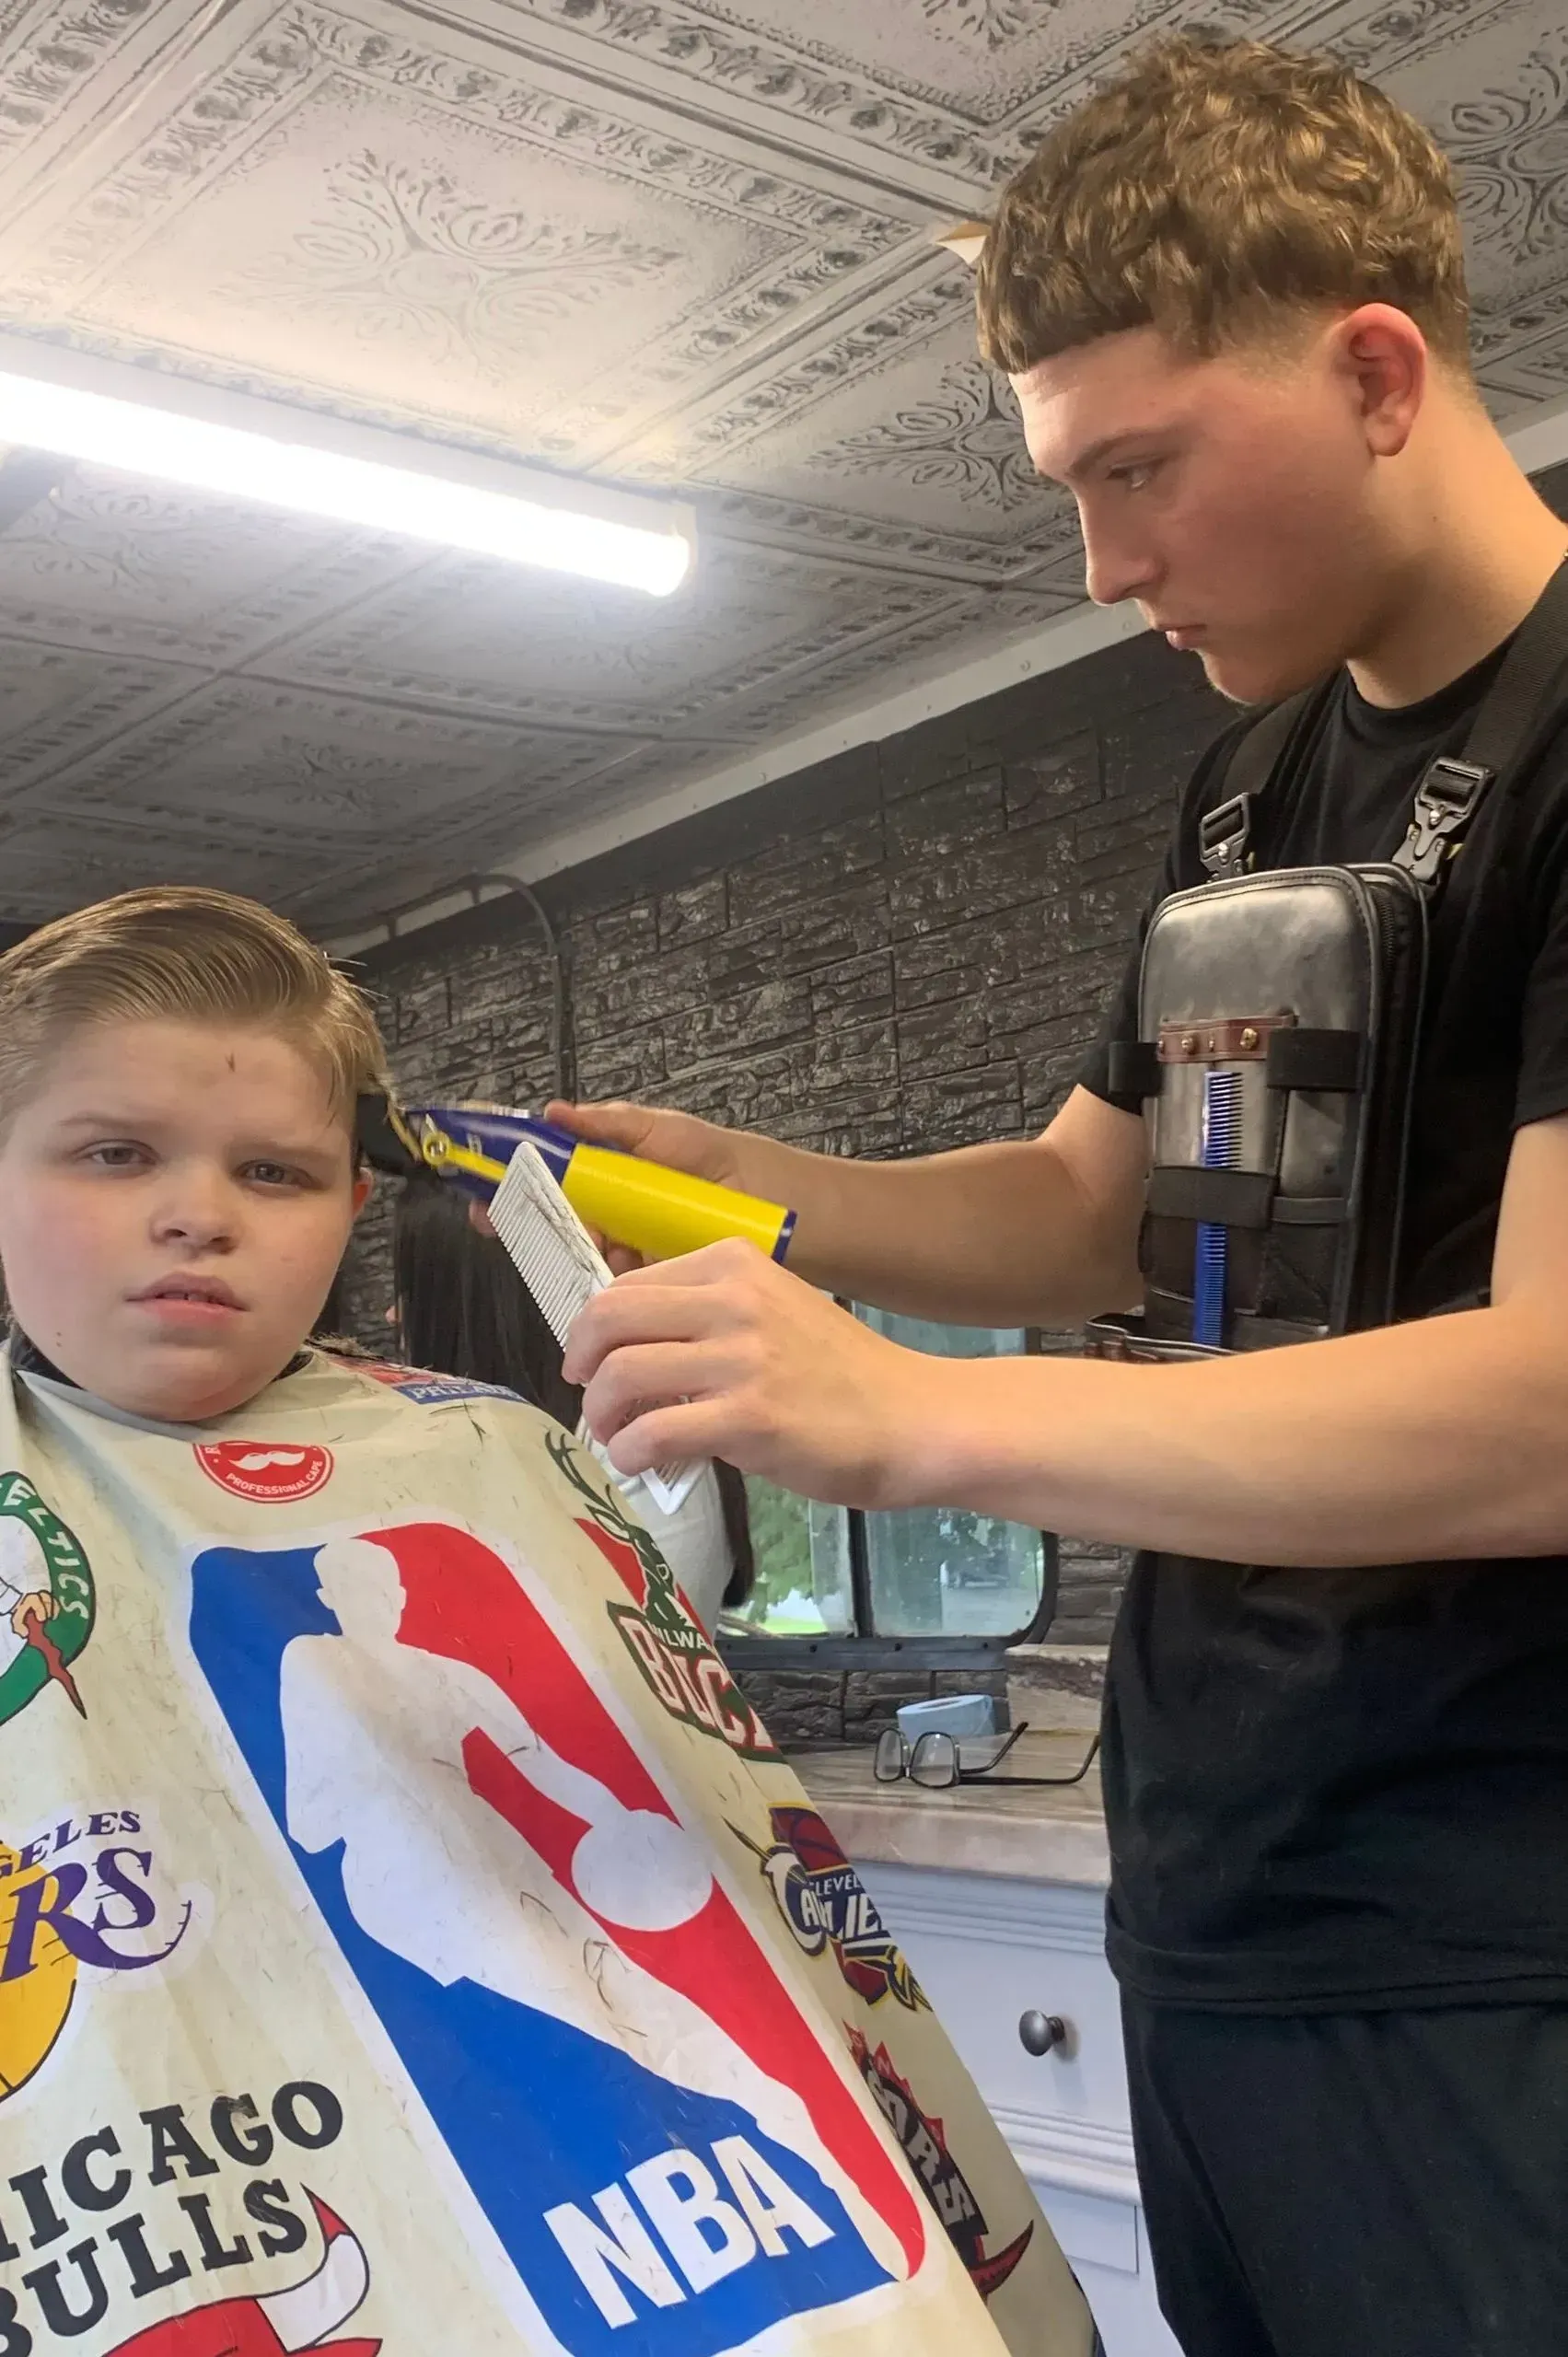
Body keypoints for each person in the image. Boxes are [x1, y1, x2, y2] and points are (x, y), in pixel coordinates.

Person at [556, 34, 1568, 2357]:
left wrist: (913, 1420)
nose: (1104, 568)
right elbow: (1089, 1206)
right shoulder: (1245, 786)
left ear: (1375, 374)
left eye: (1138, 469)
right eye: (1066, 489)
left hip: (1494, 1915)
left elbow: (1545, 1408)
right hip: (1217, 1870)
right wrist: (747, 1192)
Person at [0, 883, 1092, 2357]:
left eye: (272, 1170)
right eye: (114, 1152)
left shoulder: (497, 1452)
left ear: (350, 1205)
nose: (198, 1211)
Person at [388, 1171, 755, 1632]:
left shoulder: (630, 1445)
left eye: (412, 1291)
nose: (393, 1315)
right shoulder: (515, 1452)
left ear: (479, 1308)